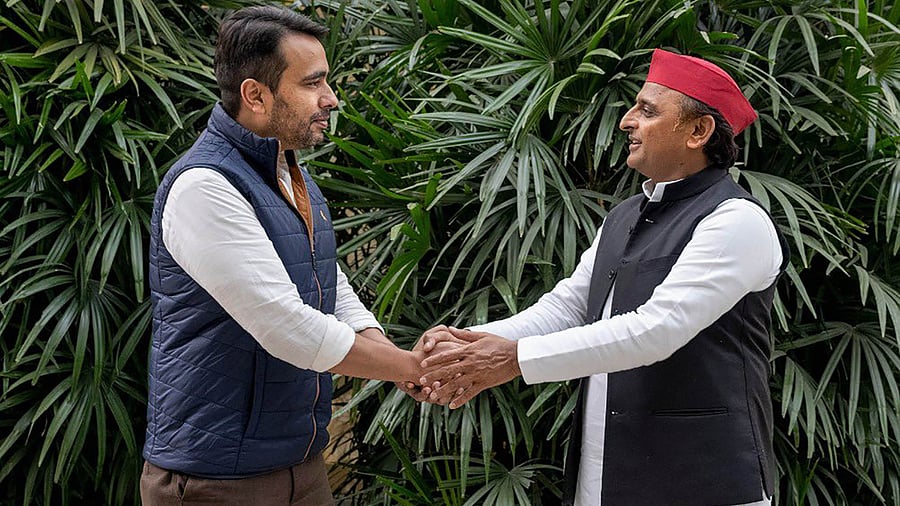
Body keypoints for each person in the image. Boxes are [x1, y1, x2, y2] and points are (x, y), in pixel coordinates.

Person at [417, 49, 789, 506]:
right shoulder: (624, 216)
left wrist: (514, 359)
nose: (626, 121)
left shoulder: (736, 221)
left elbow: (657, 330)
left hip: (704, 482)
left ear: (698, 131)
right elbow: (567, 308)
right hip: (603, 476)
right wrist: (466, 344)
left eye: (647, 110)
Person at [141, 6, 426, 505]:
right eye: (313, 83)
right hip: (218, 482)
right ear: (256, 94)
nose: (331, 99)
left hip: (301, 468)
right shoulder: (205, 186)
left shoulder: (288, 170)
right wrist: (406, 367)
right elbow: (287, 327)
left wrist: (385, 351)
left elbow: (328, 283)